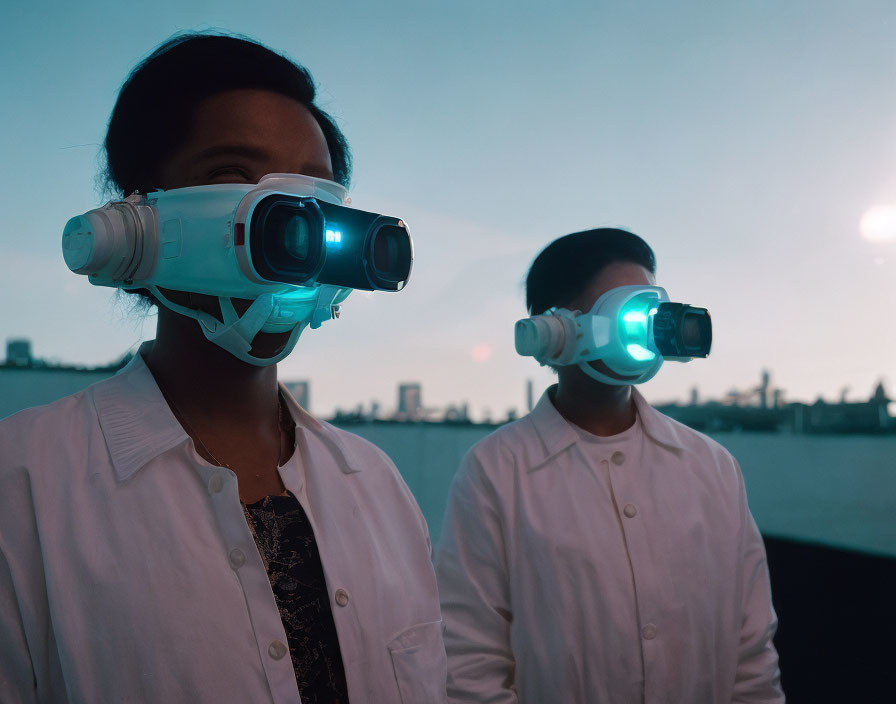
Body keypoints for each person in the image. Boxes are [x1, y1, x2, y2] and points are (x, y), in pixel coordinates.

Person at [0, 33, 446, 703]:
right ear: (133, 223)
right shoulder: (23, 482)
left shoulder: (378, 487)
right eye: (235, 175)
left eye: (317, 195)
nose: (294, 225)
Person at [435, 228, 784, 703]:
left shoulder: (713, 467)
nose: (647, 328)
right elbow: (469, 662)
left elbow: (752, 654)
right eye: (627, 312)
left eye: (651, 309)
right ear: (553, 331)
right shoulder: (496, 471)